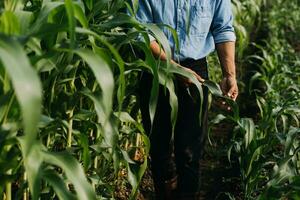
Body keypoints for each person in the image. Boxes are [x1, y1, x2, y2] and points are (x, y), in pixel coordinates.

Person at [135, 0, 238, 199]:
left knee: (190, 150)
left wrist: (229, 75)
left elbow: (223, 27)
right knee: (158, 148)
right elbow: (141, 33)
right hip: (155, 68)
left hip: (196, 71)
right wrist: (173, 67)